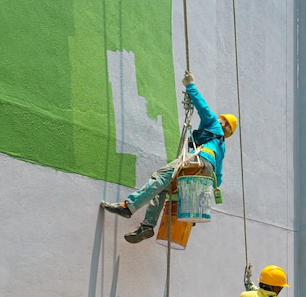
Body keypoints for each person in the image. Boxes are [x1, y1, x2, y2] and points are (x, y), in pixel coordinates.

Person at [100, 70, 238, 243]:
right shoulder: (221, 146)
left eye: (221, 119)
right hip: (203, 174)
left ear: (223, 123)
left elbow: (203, 108)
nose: (218, 119)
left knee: (160, 176)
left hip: (196, 161)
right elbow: (219, 176)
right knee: (163, 189)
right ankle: (147, 226)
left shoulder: (214, 126)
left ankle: (129, 206)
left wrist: (190, 85)